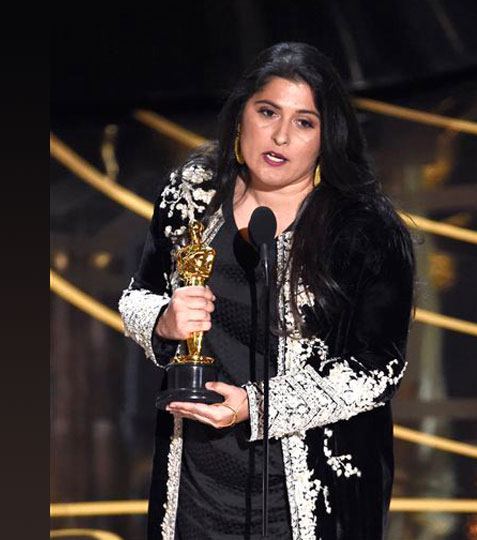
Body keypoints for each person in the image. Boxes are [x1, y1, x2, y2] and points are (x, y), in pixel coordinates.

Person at [119, 42, 415, 540]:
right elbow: (138, 296)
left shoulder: (365, 228)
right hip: (195, 480)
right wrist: (163, 321)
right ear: (241, 115)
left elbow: (376, 371)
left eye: (304, 122)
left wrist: (256, 406)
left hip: (306, 496)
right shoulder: (192, 191)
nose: (280, 135)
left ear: (327, 136)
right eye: (268, 111)